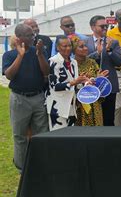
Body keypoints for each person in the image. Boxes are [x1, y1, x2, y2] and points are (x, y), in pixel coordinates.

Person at [2, 24, 49, 171]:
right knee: (19, 135)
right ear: (19, 38)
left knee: (41, 134)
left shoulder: (38, 51)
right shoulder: (9, 55)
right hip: (19, 99)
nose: (33, 37)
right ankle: (23, 168)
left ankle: (41, 165)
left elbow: (46, 72)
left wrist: (40, 54)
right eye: (29, 35)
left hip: (38, 97)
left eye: (33, 34)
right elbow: (9, 75)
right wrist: (20, 55)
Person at [85, 15, 121, 126]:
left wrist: (109, 50)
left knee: (108, 119)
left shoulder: (113, 42)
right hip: (90, 85)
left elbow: (120, 62)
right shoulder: (85, 43)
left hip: (108, 86)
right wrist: (98, 53)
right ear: (92, 27)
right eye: (102, 26)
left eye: (106, 26)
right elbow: (82, 61)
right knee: (92, 119)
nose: (105, 29)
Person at [46, 35, 88, 130]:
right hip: (58, 106)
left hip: (71, 106)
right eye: (64, 46)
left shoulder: (74, 62)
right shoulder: (53, 61)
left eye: (69, 45)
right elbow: (55, 86)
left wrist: (86, 81)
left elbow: (77, 84)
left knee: (70, 136)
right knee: (57, 136)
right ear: (57, 47)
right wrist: (74, 82)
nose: (68, 48)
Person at [69, 35, 108, 126]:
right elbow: (70, 83)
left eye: (85, 46)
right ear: (74, 50)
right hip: (80, 104)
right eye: (81, 47)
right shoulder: (71, 65)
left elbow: (98, 79)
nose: (85, 48)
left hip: (94, 102)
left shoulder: (92, 62)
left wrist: (100, 78)